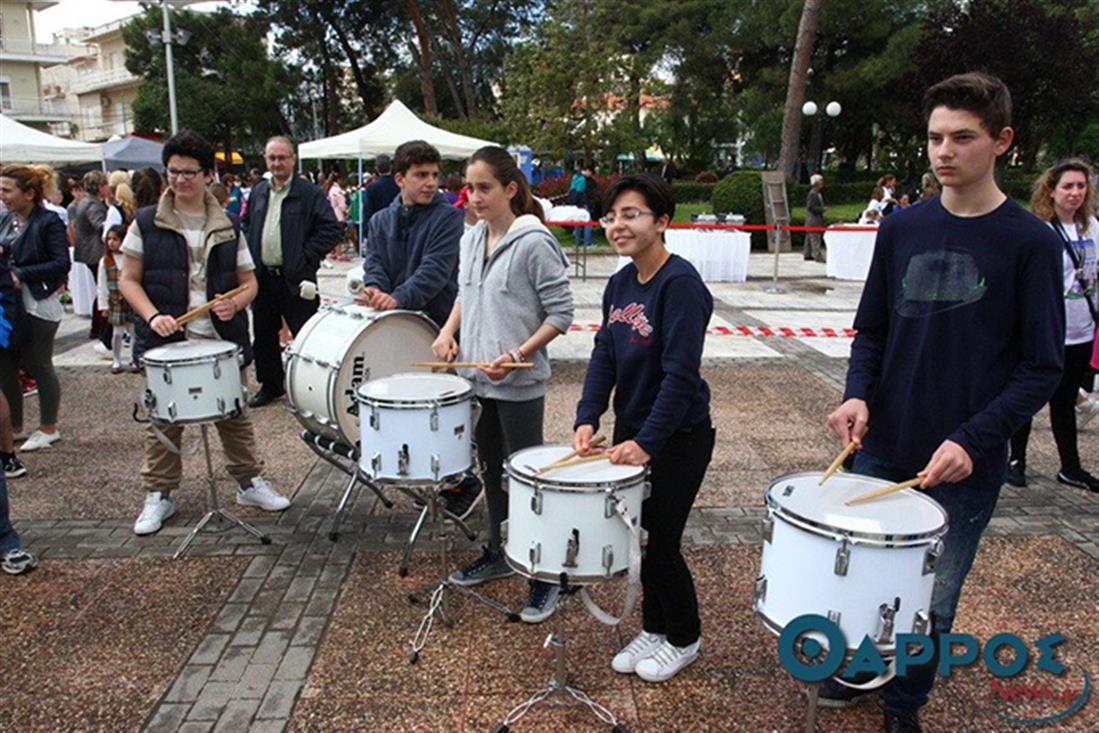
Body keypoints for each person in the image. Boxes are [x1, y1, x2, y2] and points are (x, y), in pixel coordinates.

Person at [824, 72, 1065, 733]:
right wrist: (855, 396)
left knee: (931, 599)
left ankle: (903, 704)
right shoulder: (901, 227)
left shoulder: (1030, 242)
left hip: (963, 462)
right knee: (860, 580)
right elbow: (870, 329)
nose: (942, 151)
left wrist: (974, 439)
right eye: (933, 137)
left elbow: (1041, 366)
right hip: (877, 447)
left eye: (961, 136)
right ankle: (856, 670)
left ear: (1001, 141)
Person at [573, 173, 715, 683]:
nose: (617, 225)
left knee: (662, 543)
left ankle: (684, 637)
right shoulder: (620, 282)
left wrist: (648, 443)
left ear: (662, 221)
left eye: (631, 214)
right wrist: (588, 416)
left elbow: (681, 377)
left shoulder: (681, 286)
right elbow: (604, 356)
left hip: (679, 437)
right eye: (611, 216)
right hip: (635, 433)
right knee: (642, 541)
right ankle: (655, 628)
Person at [118, 129, 292, 536]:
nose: (180, 179)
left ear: (206, 174)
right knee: (163, 420)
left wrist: (238, 302)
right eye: (173, 171)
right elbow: (128, 279)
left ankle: (249, 483)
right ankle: (158, 494)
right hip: (165, 340)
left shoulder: (229, 224)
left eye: (189, 172)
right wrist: (152, 315)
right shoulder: (146, 222)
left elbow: (249, 282)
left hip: (220, 338)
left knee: (234, 416)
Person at [432, 145, 574, 623]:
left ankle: (545, 574)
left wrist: (519, 354)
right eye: (469, 187)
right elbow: (463, 295)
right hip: (478, 380)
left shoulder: (535, 242)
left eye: (484, 188)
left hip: (519, 386)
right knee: (492, 473)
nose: (473, 197)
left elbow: (561, 314)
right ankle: (497, 551)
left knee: (530, 481)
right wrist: (448, 333)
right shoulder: (470, 238)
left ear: (511, 189)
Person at [1006, 159, 1098, 492]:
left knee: (1064, 400)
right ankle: (1015, 460)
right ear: (1052, 190)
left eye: (1081, 186)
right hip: (1045, 330)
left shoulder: (1092, 228)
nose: (1075, 193)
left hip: (1081, 329)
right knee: (1027, 397)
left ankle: (1070, 466)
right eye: (1068, 186)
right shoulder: (1039, 230)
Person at [242, 135, 342, 408]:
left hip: (297, 280)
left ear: (293, 159)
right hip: (263, 277)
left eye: (282, 157)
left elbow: (331, 229)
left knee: (307, 335)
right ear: (265, 160)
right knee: (263, 334)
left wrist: (305, 258)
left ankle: (313, 387)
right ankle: (271, 384)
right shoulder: (259, 192)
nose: (277, 163)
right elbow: (248, 224)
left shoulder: (308, 193)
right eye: (272, 158)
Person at [0, 165, 70, 454]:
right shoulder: (7, 219)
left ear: (29, 193)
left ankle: (48, 427)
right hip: (10, 303)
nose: (2, 195)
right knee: (6, 364)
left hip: (39, 301)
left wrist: (21, 274)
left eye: (7, 190)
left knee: (39, 362)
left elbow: (61, 263)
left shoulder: (49, 221)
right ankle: (13, 426)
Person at [358, 140, 463, 328]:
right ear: (400, 179)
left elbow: (435, 270)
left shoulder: (449, 217)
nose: (431, 183)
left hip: (436, 326)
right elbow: (374, 264)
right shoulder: (379, 221)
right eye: (421, 175)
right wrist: (374, 289)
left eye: (435, 175)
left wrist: (397, 298)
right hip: (391, 324)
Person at [97, 224, 139, 374]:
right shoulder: (106, 261)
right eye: (109, 239)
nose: (111, 242)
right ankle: (116, 358)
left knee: (134, 331)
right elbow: (102, 284)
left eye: (115, 239)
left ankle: (134, 358)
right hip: (115, 301)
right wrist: (103, 305)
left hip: (131, 300)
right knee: (117, 333)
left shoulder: (130, 258)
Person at [70, 170, 110, 325]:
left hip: (88, 251)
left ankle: (98, 326)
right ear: (99, 187)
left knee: (99, 288)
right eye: (105, 184)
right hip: (94, 251)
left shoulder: (85, 202)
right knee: (102, 290)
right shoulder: (93, 204)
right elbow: (100, 225)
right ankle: (99, 326)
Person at [362, 154, 400, 240]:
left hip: (378, 228)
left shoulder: (372, 187)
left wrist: (366, 231)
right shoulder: (399, 184)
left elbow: (367, 210)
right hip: (397, 226)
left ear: (376, 168)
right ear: (391, 166)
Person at [804, 174, 826, 262]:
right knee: (815, 238)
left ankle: (807, 254)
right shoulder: (813, 194)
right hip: (813, 220)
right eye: (821, 181)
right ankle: (817, 255)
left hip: (813, 219)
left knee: (809, 238)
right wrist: (821, 209)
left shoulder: (816, 193)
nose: (822, 183)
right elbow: (810, 206)